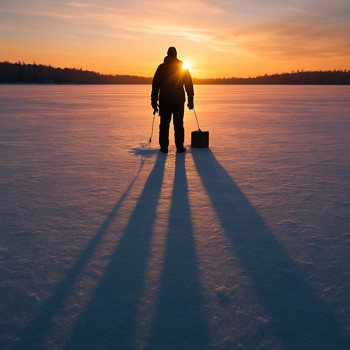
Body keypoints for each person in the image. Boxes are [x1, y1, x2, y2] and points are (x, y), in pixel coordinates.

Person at [151, 47, 194, 153]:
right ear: (175, 55)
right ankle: (179, 147)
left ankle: (164, 148)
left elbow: (155, 85)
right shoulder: (182, 67)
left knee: (164, 124)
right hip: (179, 101)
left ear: (167, 54)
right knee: (178, 124)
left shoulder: (161, 67)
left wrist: (153, 100)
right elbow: (189, 84)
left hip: (165, 101)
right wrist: (190, 100)